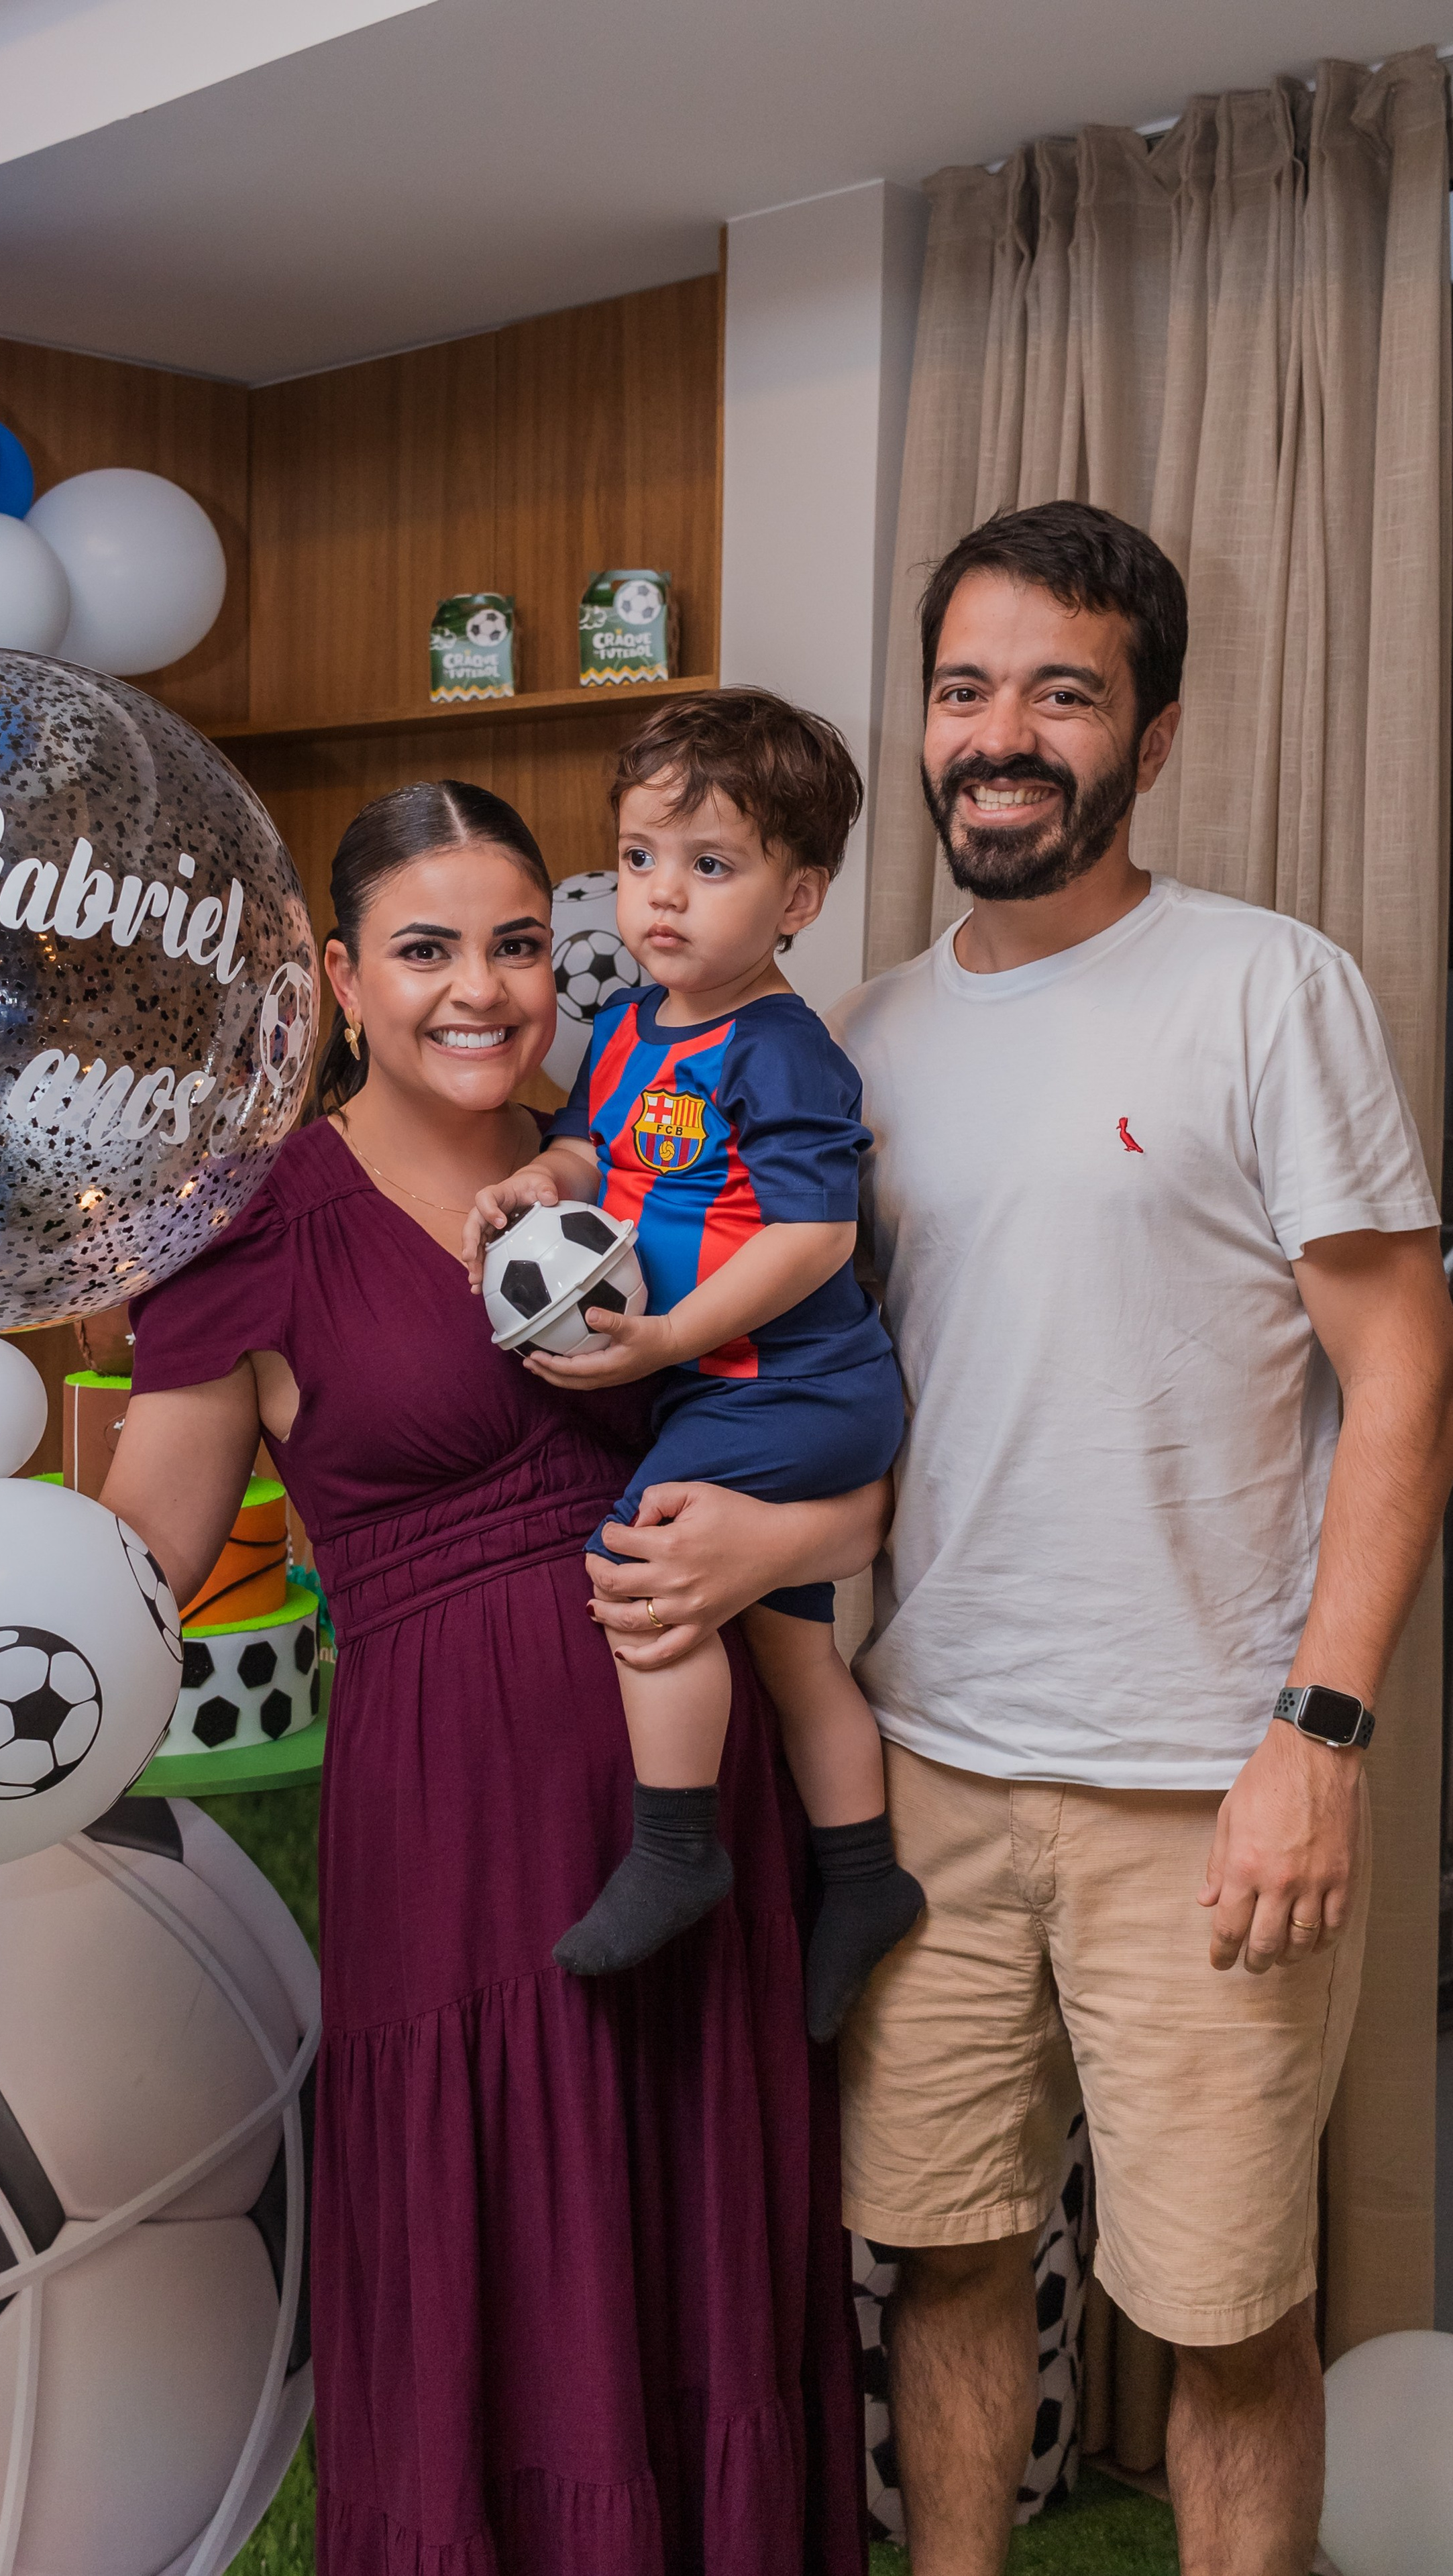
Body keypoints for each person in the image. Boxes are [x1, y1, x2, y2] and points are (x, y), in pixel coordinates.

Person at [101, 777, 879, 2576]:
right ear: (338, 978)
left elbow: (853, 1449)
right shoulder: (255, 1222)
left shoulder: (650, 1154)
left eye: (519, 945)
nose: (481, 990)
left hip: (696, 1815)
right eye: (426, 950)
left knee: (698, 2226)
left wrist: (771, 1544)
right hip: (452, 1839)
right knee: (497, 2232)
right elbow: (143, 1556)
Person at [830, 498, 1453, 2576]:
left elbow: (1407, 1375)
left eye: (1061, 695)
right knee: (945, 2255)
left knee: (1227, 2315)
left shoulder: (1269, 989)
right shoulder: (866, 1039)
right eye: (964, 690)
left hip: (1210, 1786)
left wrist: (1319, 1734)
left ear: (1152, 738)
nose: (1000, 736)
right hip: (928, 1763)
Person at [466, 692, 922, 2038]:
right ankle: (863, 1880)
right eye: (639, 859)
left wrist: (670, 1338)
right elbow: (591, 1146)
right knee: (792, 1649)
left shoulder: (779, 1048)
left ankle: (676, 1849)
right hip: (729, 1386)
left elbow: (813, 1233)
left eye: (710, 865)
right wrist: (541, 1178)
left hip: (792, 1386)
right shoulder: (628, 1025)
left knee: (644, 1562)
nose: (661, 896)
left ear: (799, 900)